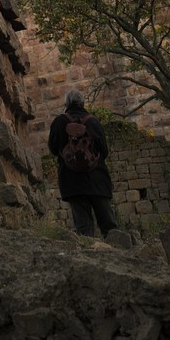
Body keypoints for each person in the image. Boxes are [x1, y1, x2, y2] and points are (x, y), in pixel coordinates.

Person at [47, 88, 119, 238]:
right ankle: (119, 249)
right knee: (110, 227)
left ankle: (89, 252)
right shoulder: (93, 122)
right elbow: (104, 152)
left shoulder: (59, 122)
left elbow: (53, 149)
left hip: (72, 182)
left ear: (66, 104)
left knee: (84, 230)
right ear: (83, 103)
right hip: (98, 180)